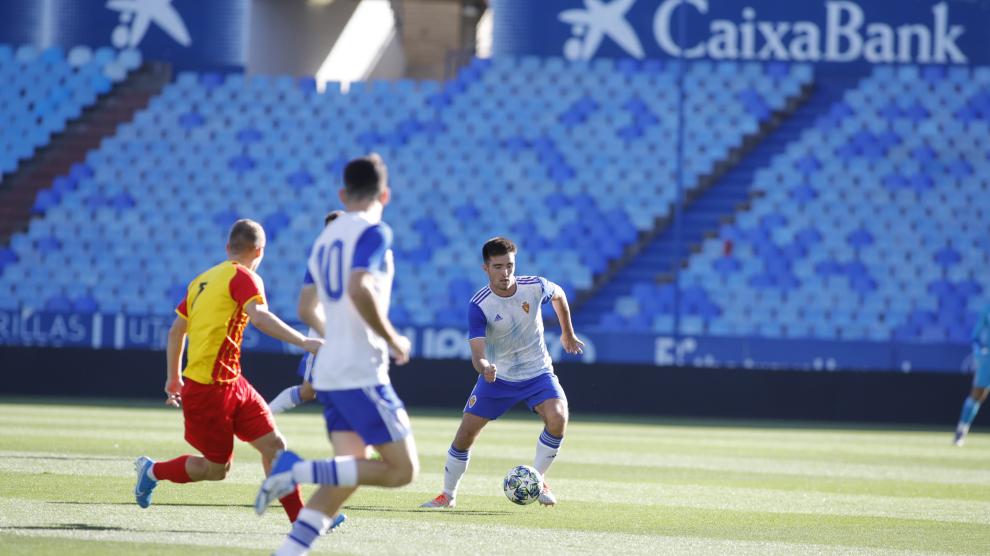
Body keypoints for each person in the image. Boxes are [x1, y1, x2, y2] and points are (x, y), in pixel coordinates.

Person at [254, 154, 417, 556]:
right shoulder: (374, 231)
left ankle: (289, 551)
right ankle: (296, 468)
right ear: (385, 194)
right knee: (402, 471)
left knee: (346, 474)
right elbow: (360, 288)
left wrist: (336, 333)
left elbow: (306, 307)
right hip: (361, 372)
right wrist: (393, 338)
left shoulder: (325, 238)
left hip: (330, 371)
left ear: (342, 193)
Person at [133, 219, 322, 523]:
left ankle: (301, 520)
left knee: (275, 445)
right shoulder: (245, 276)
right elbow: (259, 318)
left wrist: (173, 377)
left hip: (233, 382)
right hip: (208, 389)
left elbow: (176, 332)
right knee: (216, 469)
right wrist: (304, 341)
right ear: (259, 251)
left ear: (228, 248)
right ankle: (152, 471)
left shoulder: (201, 280)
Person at [420, 236, 584, 509]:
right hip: (498, 378)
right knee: (465, 435)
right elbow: (477, 352)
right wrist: (485, 367)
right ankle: (447, 495)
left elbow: (559, 295)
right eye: (498, 266)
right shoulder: (480, 305)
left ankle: (538, 479)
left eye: (509, 265)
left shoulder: (534, 286)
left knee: (558, 417)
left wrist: (568, 332)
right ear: (486, 268)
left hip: (537, 372)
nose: (505, 273)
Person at [268, 210, 344, 415]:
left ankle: (362, 442)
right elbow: (309, 304)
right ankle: (264, 417)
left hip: (349, 332)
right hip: (324, 331)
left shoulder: (357, 260)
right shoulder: (320, 262)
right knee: (308, 391)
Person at [954, 304, 990, 446]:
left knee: (981, 395)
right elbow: (976, 335)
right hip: (987, 358)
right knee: (978, 394)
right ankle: (961, 430)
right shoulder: (987, 309)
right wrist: (980, 350)